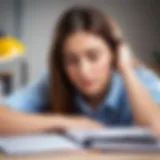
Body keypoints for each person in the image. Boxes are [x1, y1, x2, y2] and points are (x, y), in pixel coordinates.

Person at [0, 6, 160, 136]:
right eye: (71, 60)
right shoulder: (52, 82)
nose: (84, 71)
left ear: (114, 53)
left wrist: (126, 69)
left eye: (93, 56)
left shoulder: (141, 80)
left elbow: (156, 128)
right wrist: (65, 122)